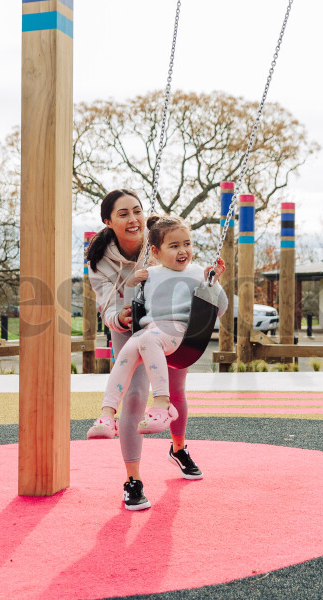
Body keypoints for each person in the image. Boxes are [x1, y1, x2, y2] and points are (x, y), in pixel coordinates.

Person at [85, 189, 226, 511]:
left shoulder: (160, 238)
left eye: (137, 211)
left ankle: (177, 449)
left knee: (176, 390)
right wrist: (117, 317)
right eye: (123, 214)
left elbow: (188, 268)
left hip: (170, 324)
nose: (133, 219)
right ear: (108, 221)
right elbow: (104, 304)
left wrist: (211, 282)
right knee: (134, 395)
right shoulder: (100, 261)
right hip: (131, 325)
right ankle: (132, 480)